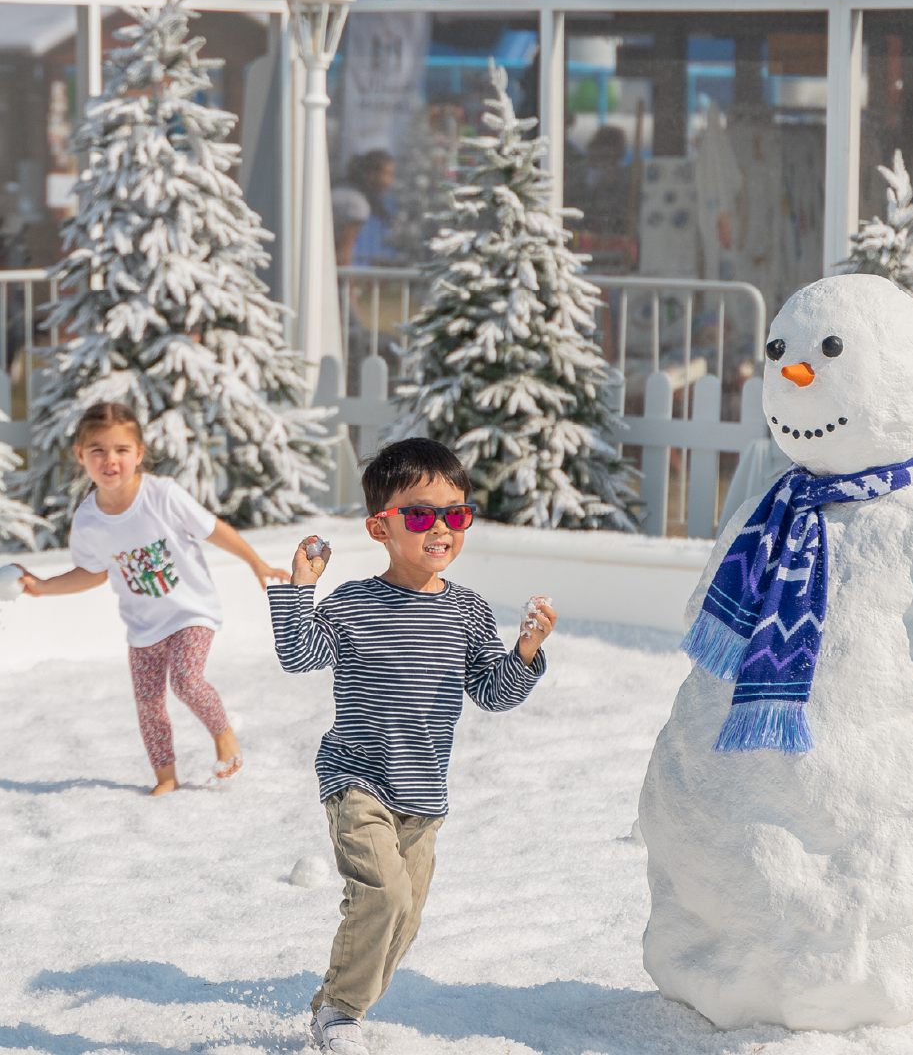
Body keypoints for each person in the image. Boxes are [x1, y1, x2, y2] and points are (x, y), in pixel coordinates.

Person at [268, 437, 556, 1055]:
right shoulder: (352, 604)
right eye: (421, 515)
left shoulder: (469, 612)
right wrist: (298, 587)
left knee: (405, 916)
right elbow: (297, 655)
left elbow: (493, 692)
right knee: (385, 894)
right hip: (357, 779)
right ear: (380, 526)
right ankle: (342, 1015)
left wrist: (525, 652)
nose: (441, 529)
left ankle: (336, 1005)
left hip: (423, 795)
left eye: (455, 515)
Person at [16, 401, 289, 795]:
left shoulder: (162, 495)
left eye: (122, 450)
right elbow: (92, 572)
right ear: (80, 456)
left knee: (186, 681)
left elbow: (214, 529)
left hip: (191, 613)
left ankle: (223, 733)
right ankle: (166, 778)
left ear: (139, 454)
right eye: (98, 450)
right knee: (148, 705)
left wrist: (256, 564)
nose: (110, 460)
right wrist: (42, 587)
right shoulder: (88, 520)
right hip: (143, 626)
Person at [346, 149, 398, 266]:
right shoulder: (356, 204)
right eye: (388, 174)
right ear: (371, 175)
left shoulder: (379, 206)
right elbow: (346, 250)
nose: (391, 181)